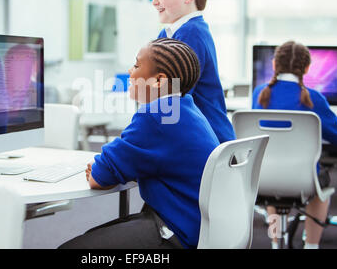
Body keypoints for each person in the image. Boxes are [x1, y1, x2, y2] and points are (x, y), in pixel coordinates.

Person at [58, 38, 220, 249]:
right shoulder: (184, 107)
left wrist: (102, 168)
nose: (130, 71)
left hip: (177, 233)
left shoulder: (156, 115)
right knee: (93, 236)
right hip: (195, 226)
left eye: (136, 65)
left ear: (158, 81)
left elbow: (98, 177)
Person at [252, 40, 337, 249]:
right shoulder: (313, 98)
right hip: (302, 181)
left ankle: (275, 242)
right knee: (320, 188)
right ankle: (311, 246)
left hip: (263, 180)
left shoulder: (259, 94)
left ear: (274, 65)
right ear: (306, 68)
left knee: (274, 187)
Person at [150, 0, 235, 144]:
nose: (154, 2)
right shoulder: (169, 32)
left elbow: (173, 96)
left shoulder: (191, 33)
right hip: (195, 136)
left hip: (209, 140)